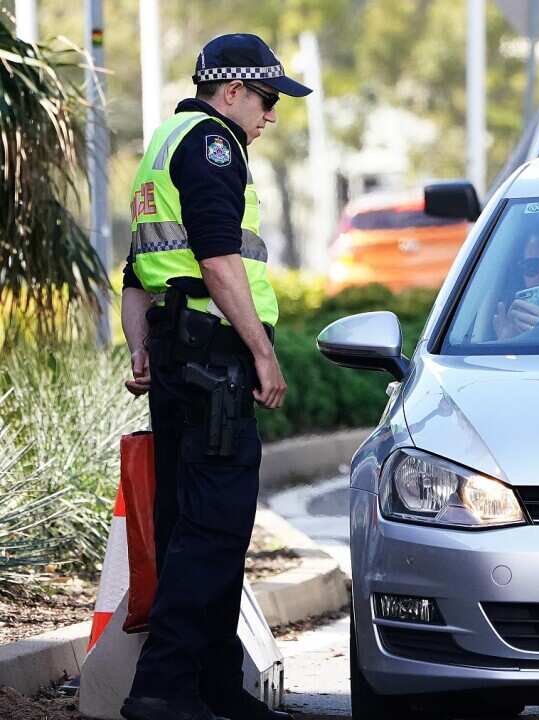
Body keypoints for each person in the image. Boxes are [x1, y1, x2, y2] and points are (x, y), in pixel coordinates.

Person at [118, 33, 310, 720]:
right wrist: (261, 350)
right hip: (214, 362)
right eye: (266, 99)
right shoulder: (212, 145)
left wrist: (140, 350)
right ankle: (164, 689)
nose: (271, 115)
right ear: (231, 92)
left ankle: (211, 687)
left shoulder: (165, 142)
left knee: (186, 523)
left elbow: (137, 272)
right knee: (215, 528)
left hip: (178, 357)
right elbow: (219, 260)